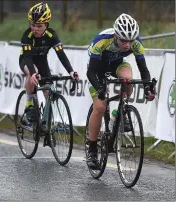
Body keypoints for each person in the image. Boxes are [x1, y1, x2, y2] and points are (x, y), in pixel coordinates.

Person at [86, 13, 155, 170]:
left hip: (117, 64)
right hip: (97, 70)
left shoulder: (136, 43)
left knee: (127, 79)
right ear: (116, 35)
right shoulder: (102, 41)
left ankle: (121, 112)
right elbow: (90, 73)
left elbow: (143, 69)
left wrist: (147, 87)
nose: (127, 44)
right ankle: (92, 149)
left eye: (130, 40)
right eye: (123, 40)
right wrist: (100, 89)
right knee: (100, 107)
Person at [19, 2, 78, 146]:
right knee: (33, 74)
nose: (35, 28)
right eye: (33, 24)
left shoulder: (52, 35)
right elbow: (27, 57)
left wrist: (71, 71)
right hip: (27, 61)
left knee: (48, 91)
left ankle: (47, 127)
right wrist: (33, 73)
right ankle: (29, 106)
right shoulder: (27, 36)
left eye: (39, 26)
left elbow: (61, 55)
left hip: (42, 61)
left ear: (47, 25)